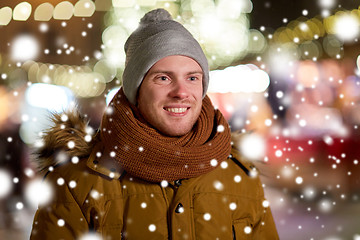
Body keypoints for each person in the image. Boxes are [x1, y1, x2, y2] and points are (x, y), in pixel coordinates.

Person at [30, 8, 279, 239]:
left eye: (192, 77)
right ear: (135, 91)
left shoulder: (239, 176)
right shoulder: (76, 183)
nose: (181, 92)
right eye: (163, 78)